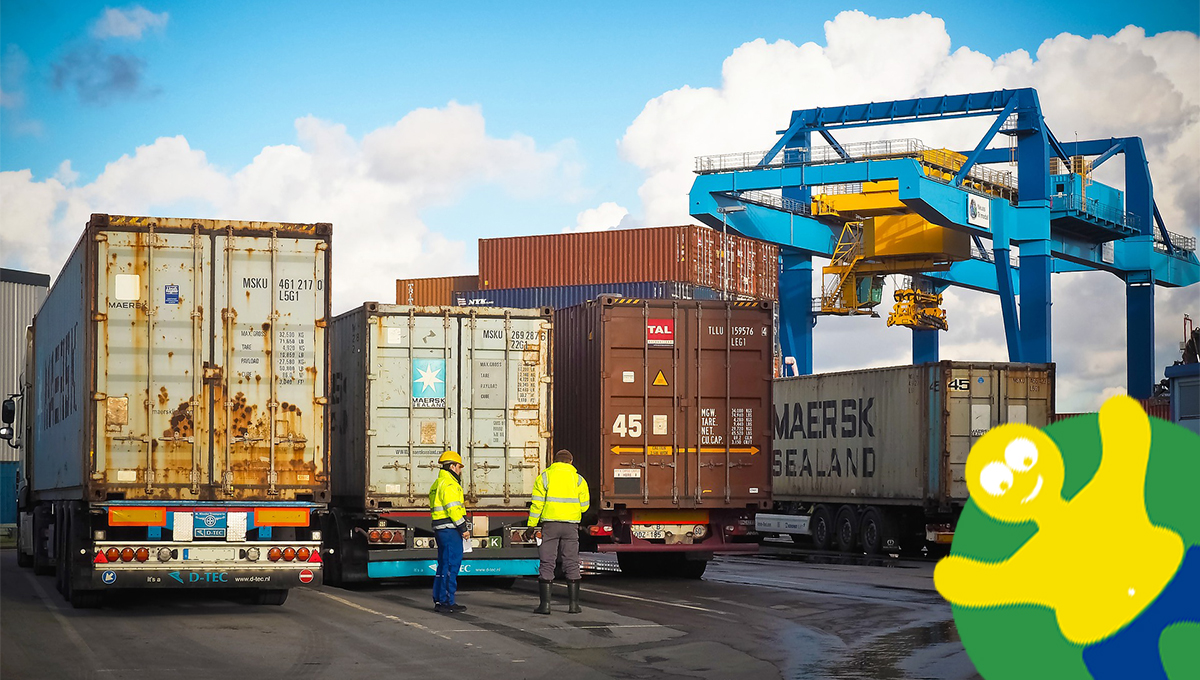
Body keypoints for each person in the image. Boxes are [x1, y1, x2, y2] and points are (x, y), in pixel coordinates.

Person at [525, 449, 590, 615]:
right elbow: (585, 506)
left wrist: (531, 525)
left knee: (547, 561)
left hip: (550, 525)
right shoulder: (578, 479)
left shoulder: (544, 477)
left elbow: (537, 505)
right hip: (571, 526)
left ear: (555, 461)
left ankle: (545, 606)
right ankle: (574, 605)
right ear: (571, 461)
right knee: (571, 561)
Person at [430, 450, 470, 614]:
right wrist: (463, 528)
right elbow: (453, 509)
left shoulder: (438, 483)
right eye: (459, 467)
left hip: (441, 529)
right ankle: (447, 601)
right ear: (452, 466)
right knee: (451, 565)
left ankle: (440, 599)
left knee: (443, 565)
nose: (460, 470)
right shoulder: (450, 484)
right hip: (450, 529)